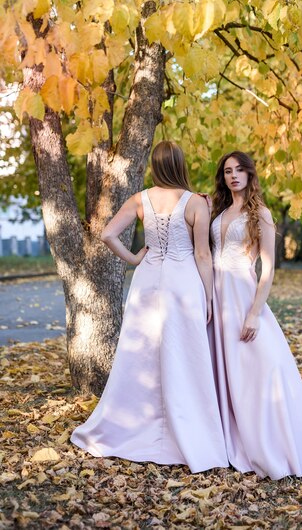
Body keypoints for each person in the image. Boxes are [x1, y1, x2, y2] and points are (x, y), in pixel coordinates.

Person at [71, 141, 228, 473]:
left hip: (147, 281)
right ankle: (186, 427)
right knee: (184, 354)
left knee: (141, 353)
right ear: (180, 165)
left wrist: (133, 258)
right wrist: (210, 296)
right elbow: (202, 255)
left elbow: (108, 234)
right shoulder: (197, 203)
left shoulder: (140, 199)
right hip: (183, 284)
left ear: (155, 166)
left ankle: (133, 423)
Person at [209, 151, 302, 480]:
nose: (233, 176)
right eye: (228, 171)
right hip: (216, 296)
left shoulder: (259, 212)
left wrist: (254, 314)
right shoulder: (218, 211)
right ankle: (227, 438)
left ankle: (274, 446)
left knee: (259, 366)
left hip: (242, 295)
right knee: (226, 370)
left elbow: (268, 269)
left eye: (239, 170)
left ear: (250, 174)